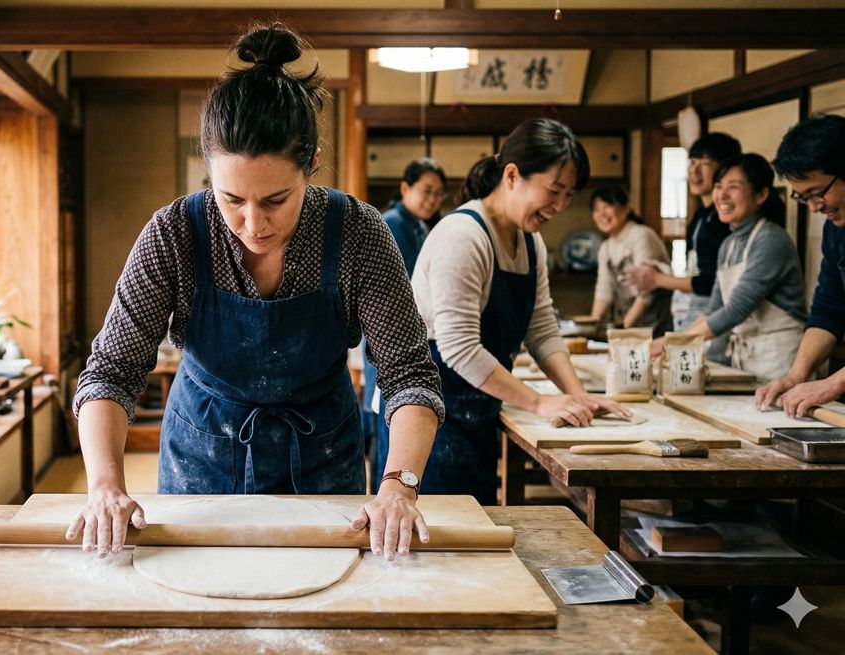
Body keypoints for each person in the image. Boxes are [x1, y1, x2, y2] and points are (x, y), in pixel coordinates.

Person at [68, 24, 445, 559]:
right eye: (231, 199)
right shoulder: (174, 233)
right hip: (202, 458)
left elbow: (409, 377)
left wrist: (398, 487)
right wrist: (105, 486)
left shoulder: (358, 233)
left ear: (311, 165)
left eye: (275, 199)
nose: (251, 223)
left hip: (324, 463)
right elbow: (110, 372)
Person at [400, 118, 629, 504]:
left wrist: (577, 395)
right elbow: (459, 348)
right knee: (437, 536)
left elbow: (541, 328)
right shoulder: (463, 236)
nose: (559, 206)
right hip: (432, 414)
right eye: (554, 190)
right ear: (511, 175)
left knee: (475, 522)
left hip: (478, 406)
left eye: (569, 195)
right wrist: (539, 402)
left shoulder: (530, 242)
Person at [664, 154, 805, 382]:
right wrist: (676, 341)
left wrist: (673, 343)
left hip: (780, 359)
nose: (722, 195)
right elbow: (713, 310)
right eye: (719, 186)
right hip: (746, 358)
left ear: (761, 195)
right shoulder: (729, 244)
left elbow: (736, 310)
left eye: (734, 187)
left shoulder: (771, 240)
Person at [362, 158, 447, 491]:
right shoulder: (390, 224)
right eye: (426, 191)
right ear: (405, 189)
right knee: (389, 417)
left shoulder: (429, 226)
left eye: (439, 193)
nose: (432, 200)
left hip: (422, 337)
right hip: (392, 338)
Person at [756, 114, 845, 415]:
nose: (815, 207)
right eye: (803, 197)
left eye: (818, 193)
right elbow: (829, 308)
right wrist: (796, 375)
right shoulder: (837, 230)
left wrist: (833, 383)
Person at [629, 133, 740, 356]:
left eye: (705, 164)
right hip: (691, 318)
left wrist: (658, 279)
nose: (694, 171)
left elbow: (711, 283)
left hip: (713, 322)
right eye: (692, 162)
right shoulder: (700, 216)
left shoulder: (724, 221)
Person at [573, 185, 671, 335]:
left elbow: (646, 294)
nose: (602, 214)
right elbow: (603, 292)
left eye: (607, 206)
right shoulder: (606, 247)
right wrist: (590, 329)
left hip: (655, 327)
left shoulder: (641, 235)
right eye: (596, 209)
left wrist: (623, 331)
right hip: (630, 328)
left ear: (626, 209)